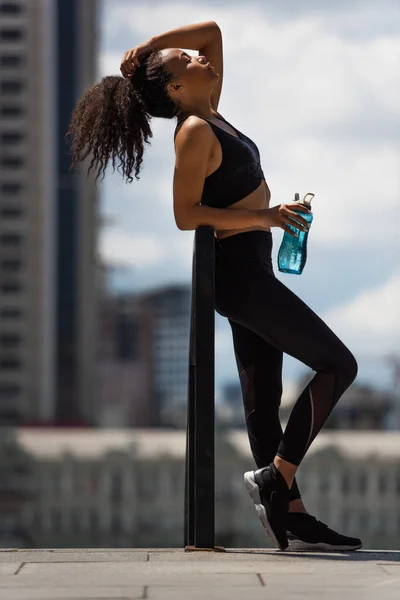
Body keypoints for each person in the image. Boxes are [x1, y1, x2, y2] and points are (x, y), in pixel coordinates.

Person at [66, 21, 362, 552]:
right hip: (238, 276)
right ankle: (275, 477)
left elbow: (213, 33)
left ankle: (290, 514)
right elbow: (186, 216)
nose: (200, 59)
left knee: (261, 401)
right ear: (176, 89)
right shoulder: (193, 132)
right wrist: (269, 218)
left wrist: (155, 46)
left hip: (255, 268)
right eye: (187, 61)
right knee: (340, 365)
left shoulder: (211, 111)